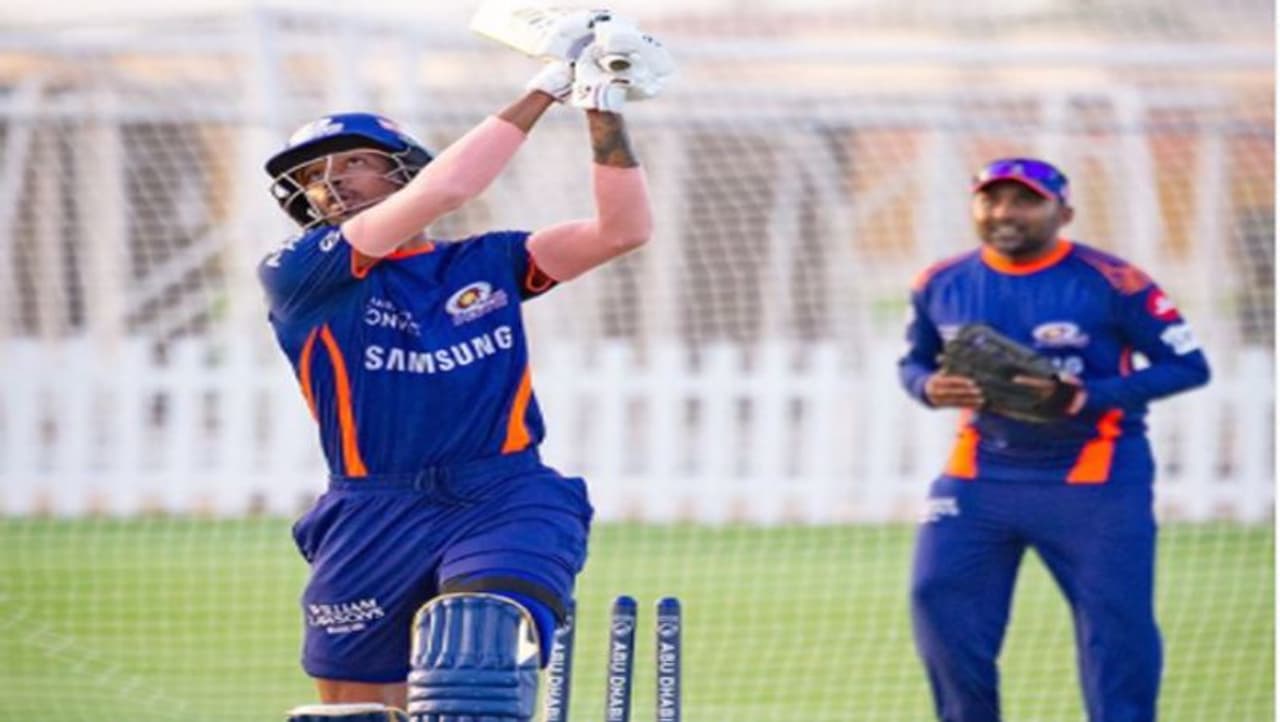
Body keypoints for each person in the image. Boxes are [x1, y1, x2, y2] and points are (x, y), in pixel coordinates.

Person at [257, 16, 673, 722]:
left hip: (503, 492)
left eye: (352, 162)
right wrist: (548, 84)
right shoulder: (299, 272)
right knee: (355, 713)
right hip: (371, 509)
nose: (331, 185)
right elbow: (447, 190)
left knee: (475, 644)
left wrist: (601, 109)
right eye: (312, 178)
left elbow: (622, 231)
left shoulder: (487, 262)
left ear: (404, 168)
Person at [898, 157, 1211, 722]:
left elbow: (1189, 367)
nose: (1005, 213)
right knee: (936, 599)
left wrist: (1086, 396)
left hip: (1095, 481)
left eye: (1026, 201)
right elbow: (915, 361)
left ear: (1064, 213)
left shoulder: (1114, 281)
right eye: (991, 199)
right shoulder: (939, 282)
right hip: (980, 478)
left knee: (1116, 625)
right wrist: (928, 387)